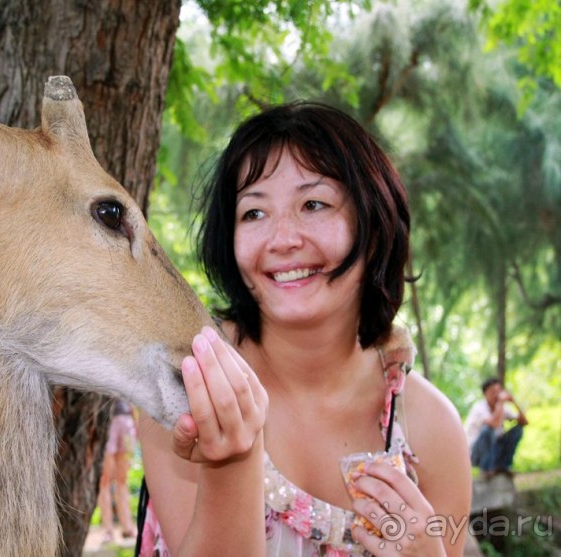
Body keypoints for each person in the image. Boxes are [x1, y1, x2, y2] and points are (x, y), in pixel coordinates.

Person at [138, 101, 471, 556]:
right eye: (254, 213)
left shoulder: (431, 429)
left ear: (374, 227)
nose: (283, 239)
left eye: (313, 204)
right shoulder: (191, 388)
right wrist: (229, 462)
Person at [464, 377, 528, 480]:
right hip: (476, 453)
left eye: (498, 391)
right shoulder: (479, 408)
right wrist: (501, 403)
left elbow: (524, 422)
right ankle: (485, 469)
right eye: (492, 392)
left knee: (518, 430)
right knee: (487, 430)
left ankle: (503, 466)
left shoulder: (503, 408)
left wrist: (513, 402)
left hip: (494, 451)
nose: (496, 395)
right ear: (485, 394)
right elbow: (494, 424)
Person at [98, 399, 138, 544]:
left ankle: (127, 527)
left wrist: (137, 425)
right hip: (107, 422)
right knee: (104, 481)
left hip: (127, 421)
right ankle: (108, 530)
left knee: (122, 480)